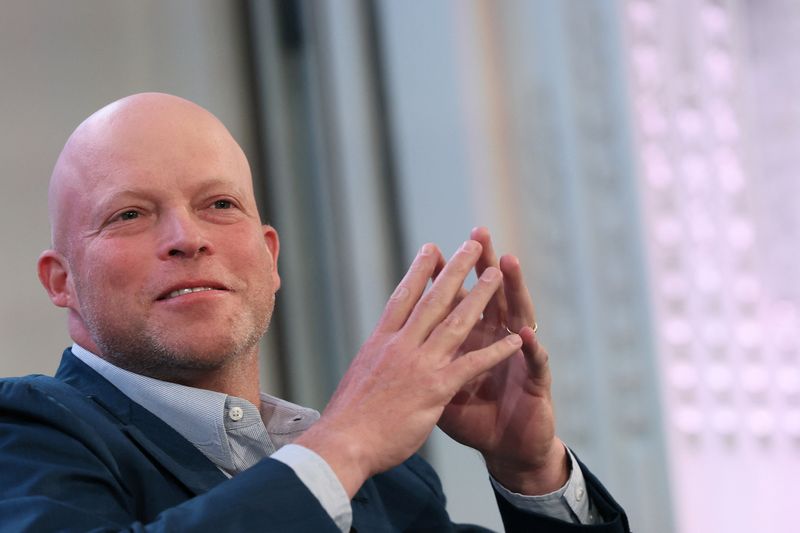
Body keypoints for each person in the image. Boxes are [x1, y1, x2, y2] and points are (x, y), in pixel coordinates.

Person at [0, 93, 629, 532]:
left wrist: (532, 472)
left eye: (219, 204)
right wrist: (347, 440)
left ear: (270, 257)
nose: (187, 238)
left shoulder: (389, 481)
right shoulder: (26, 435)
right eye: (130, 214)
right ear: (62, 282)